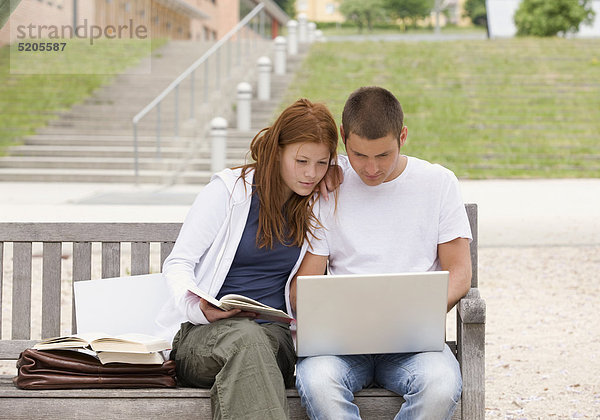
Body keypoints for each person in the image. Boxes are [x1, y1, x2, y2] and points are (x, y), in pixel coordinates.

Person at [291, 86, 473, 420]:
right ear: (344, 137)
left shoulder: (437, 183)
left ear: (403, 136)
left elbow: (460, 272)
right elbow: (306, 283)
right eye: (359, 155)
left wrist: (418, 315)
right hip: (340, 347)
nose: (371, 169)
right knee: (317, 381)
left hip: (413, 345)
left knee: (442, 385)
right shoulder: (328, 185)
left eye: (383, 155)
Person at [156, 98, 339, 420]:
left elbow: (370, 164)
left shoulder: (316, 205)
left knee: (252, 343)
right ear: (277, 150)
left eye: (322, 163)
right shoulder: (228, 191)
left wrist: (339, 170)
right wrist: (198, 307)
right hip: (203, 339)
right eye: (301, 160)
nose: (311, 174)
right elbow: (178, 263)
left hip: (276, 339)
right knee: (245, 340)